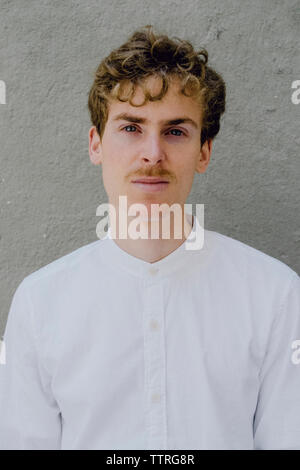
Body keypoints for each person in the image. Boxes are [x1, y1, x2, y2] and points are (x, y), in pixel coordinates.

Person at [0, 25, 299, 450]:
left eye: (176, 131)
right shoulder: (40, 302)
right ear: (96, 144)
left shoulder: (276, 295)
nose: (153, 154)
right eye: (131, 127)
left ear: (204, 151)